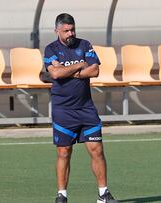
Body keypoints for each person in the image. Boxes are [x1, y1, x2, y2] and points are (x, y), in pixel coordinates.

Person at [44, 13, 119, 203]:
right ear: (57, 31)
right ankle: (62, 196)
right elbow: (55, 73)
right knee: (64, 152)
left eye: (72, 29)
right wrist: (79, 65)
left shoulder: (84, 45)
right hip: (63, 111)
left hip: (86, 109)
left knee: (97, 150)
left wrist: (68, 71)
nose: (70, 33)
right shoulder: (50, 49)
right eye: (66, 30)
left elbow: (94, 70)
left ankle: (103, 195)